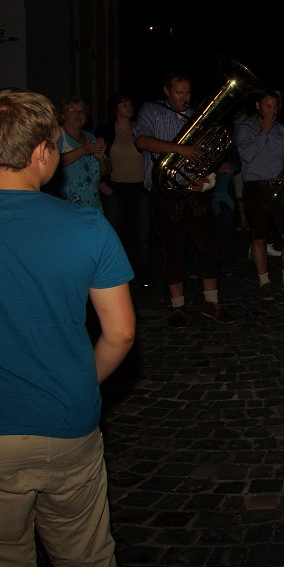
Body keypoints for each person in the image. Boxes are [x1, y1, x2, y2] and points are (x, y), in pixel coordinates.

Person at [0, 89, 136, 566]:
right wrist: (80, 381)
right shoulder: (87, 227)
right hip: (64, 420)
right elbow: (119, 334)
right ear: (41, 152)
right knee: (84, 556)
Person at [133, 71, 235, 326]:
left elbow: (208, 153)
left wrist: (206, 178)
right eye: (180, 92)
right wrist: (179, 148)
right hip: (164, 192)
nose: (185, 97)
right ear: (167, 91)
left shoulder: (194, 116)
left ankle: (211, 302)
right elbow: (142, 140)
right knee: (173, 251)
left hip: (193, 192)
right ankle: (177, 306)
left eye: (188, 92)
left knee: (210, 248)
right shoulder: (152, 110)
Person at [235, 90, 284, 299]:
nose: (272, 110)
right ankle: (264, 281)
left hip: (280, 187)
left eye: (275, 106)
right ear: (258, 106)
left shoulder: (283, 130)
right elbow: (245, 155)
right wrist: (263, 132)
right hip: (256, 187)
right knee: (259, 237)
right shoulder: (245, 128)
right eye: (268, 106)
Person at [97, 92, 153, 287]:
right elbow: (98, 158)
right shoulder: (106, 130)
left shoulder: (141, 129)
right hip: (116, 188)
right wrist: (102, 183)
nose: (129, 107)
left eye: (130, 103)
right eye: (124, 104)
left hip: (140, 188)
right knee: (115, 234)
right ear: (115, 109)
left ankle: (143, 275)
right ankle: (115, 276)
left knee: (143, 234)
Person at [55, 96, 109, 210]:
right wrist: (84, 150)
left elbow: (106, 171)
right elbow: (53, 164)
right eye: (72, 110)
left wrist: (101, 159)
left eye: (82, 111)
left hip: (93, 206)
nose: (78, 113)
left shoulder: (90, 137)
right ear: (63, 116)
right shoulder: (57, 135)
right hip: (67, 207)